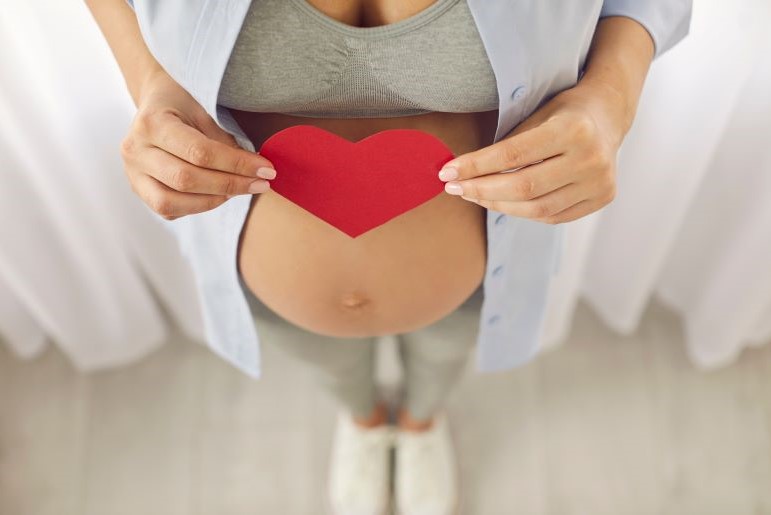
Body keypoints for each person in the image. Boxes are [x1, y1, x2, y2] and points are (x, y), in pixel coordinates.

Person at [85, 0, 692, 513]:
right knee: (328, 364)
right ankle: (365, 419)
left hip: (483, 267)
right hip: (268, 281)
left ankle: (423, 419)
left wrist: (612, 97)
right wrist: (147, 81)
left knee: (447, 351)